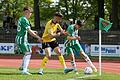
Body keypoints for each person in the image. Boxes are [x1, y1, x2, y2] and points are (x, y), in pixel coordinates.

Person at [15, 6, 42, 75]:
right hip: (22, 39)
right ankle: (24, 70)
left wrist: (32, 31)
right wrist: (38, 37)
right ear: (26, 12)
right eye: (30, 12)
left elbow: (25, 29)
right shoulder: (25, 20)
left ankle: (22, 67)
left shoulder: (21, 19)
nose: (31, 14)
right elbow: (29, 31)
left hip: (20, 38)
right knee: (28, 52)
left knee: (27, 52)